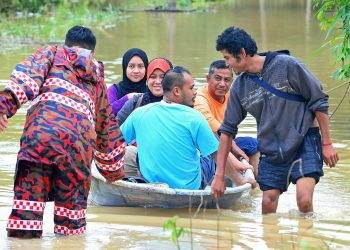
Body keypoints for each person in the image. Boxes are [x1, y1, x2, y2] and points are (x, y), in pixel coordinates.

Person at [0, 26, 126, 238]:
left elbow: (26, 80)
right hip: (78, 153)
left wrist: (4, 106)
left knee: (26, 219)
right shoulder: (98, 80)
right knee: (71, 228)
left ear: (66, 44)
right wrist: (113, 172)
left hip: (40, 142)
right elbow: (106, 130)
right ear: (92, 53)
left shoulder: (52, 53)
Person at [211, 26, 339, 214]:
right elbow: (227, 130)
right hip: (271, 148)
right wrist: (219, 175)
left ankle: (309, 238)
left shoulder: (288, 65)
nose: (228, 64)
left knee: (304, 200)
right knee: (267, 204)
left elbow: (319, 100)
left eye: (228, 58)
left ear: (242, 53)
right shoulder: (239, 86)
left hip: (304, 140)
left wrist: (327, 143)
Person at [120, 66, 255, 190]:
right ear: (177, 91)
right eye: (191, 88)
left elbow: (114, 143)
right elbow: (217, 155)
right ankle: (236, 166)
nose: (195, 92)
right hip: (190, 186)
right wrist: (239, 180)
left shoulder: (139, 113)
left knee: (133, 151)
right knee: (209, 150)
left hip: (151, 182)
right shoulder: (195, 117)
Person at [194, 60, 259, 175]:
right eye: (218, 78)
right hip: (206, 149)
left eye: (227, 80)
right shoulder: (200, 97)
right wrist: (233, 147)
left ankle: (258, 188)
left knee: (254, 144)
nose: (222, 84)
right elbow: (210, 123)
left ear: (231, 82)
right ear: (208, 79)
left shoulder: (232, 95)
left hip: (227, 144)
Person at [116, 57, 173, 125]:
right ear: (147, 80)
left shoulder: (178, 105)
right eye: (153, 77)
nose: (158, 81)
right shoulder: (135, 103)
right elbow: (115, 129)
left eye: (163, 77)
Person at [108, 48, 148, 115]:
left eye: (140, 66)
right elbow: (106, 113)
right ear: (125, 67)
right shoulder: (113, 90)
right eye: (131, 66)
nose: (136, 71)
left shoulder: (151, 91)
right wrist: (127, 98)